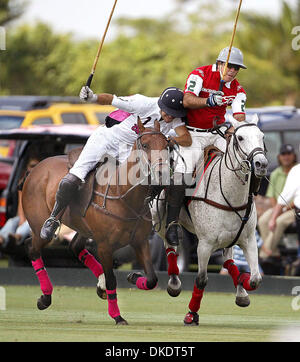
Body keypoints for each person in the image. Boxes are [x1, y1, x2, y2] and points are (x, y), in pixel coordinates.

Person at [40, 87, 192, 241]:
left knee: (157, 180)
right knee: (72, 179)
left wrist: (170, 140)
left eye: (175, 114)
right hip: (106, 140)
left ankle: (146, 219)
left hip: (130, 150)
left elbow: (186, 138)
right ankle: (54, 219)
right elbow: (111, 99)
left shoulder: (175, 119)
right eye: (168, 112)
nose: (170, 117)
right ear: (161, 105)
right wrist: (92, 97)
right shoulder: (142, 103)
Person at [163, 46, 247, 248]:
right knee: (183, 173)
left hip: (217, 133)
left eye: (236, 68)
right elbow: (187, 99)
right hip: (193, 134)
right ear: (219, 63)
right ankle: (172, 223)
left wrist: (237, 128)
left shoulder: (237, 89)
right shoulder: (199, 74)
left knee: (240, 166)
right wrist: (209, 100)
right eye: (230, 66)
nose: (233, 71)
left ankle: (242, 214)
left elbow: (239, 116)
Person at [258, 144, 297, 258]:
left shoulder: (296, 171)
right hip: (278, 207)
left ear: (294, 156)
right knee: (263, 220)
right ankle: (274, 252)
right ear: (279, 157)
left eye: (289, 154)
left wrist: (283, 209)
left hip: (294, 208)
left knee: (279, 221)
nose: (286, 157)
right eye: (283, 154)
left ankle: (265, 253)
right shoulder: (275, 173)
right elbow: (271, 195)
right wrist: (277, 209)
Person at [268, 162, 300, 268]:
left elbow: (285, 197)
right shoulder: (296, 170)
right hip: (294, 210)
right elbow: (283, 197)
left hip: (292, 210)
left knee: (278, 221)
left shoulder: (295, 170)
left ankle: (268, 252)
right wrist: (275, 215)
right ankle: (269, 253)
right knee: (267, 220)